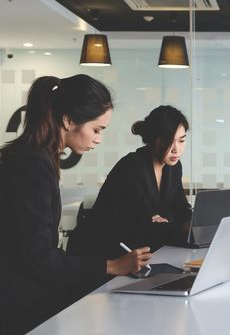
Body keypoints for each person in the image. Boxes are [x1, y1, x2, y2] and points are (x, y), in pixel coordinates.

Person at [0, 75, 152, 334]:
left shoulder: (33, 157)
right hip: (20, 308)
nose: (98, 139)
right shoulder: (32, 164)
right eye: (96, 129)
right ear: (69, 120)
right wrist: (112, 266)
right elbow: (36, 258)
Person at [67, 105, 192, 260]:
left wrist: (189, 224)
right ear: (154, 139)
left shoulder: (173, 167)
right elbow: (143, 226)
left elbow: (180, 209)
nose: (176, 149)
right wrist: (171, 224)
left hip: (137, 252)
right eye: (168, 141)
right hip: (99, 254)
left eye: (181, 141)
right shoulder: (131, 167)